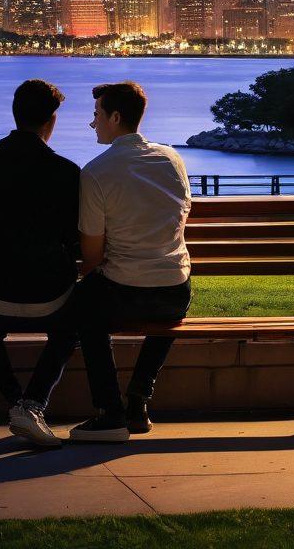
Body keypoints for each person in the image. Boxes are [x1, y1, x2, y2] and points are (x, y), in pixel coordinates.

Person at [69, 81, 192, 443]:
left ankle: (110, 412)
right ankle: (138, 399)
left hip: (123, 290)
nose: (93, 124)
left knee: (83, 311)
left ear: (116, 117)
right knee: (165, 310)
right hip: (175, 290)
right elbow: (181, 216)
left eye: (96, 116)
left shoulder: (95, 172)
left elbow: (91, 256)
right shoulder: (172, 159)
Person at [0, 79, 80, 449]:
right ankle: (30, 404)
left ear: (14, 114)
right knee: (71, 326)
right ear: (52, 121)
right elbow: (74, 237)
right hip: (50, 294)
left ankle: (15, 401)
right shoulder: (65, 171)